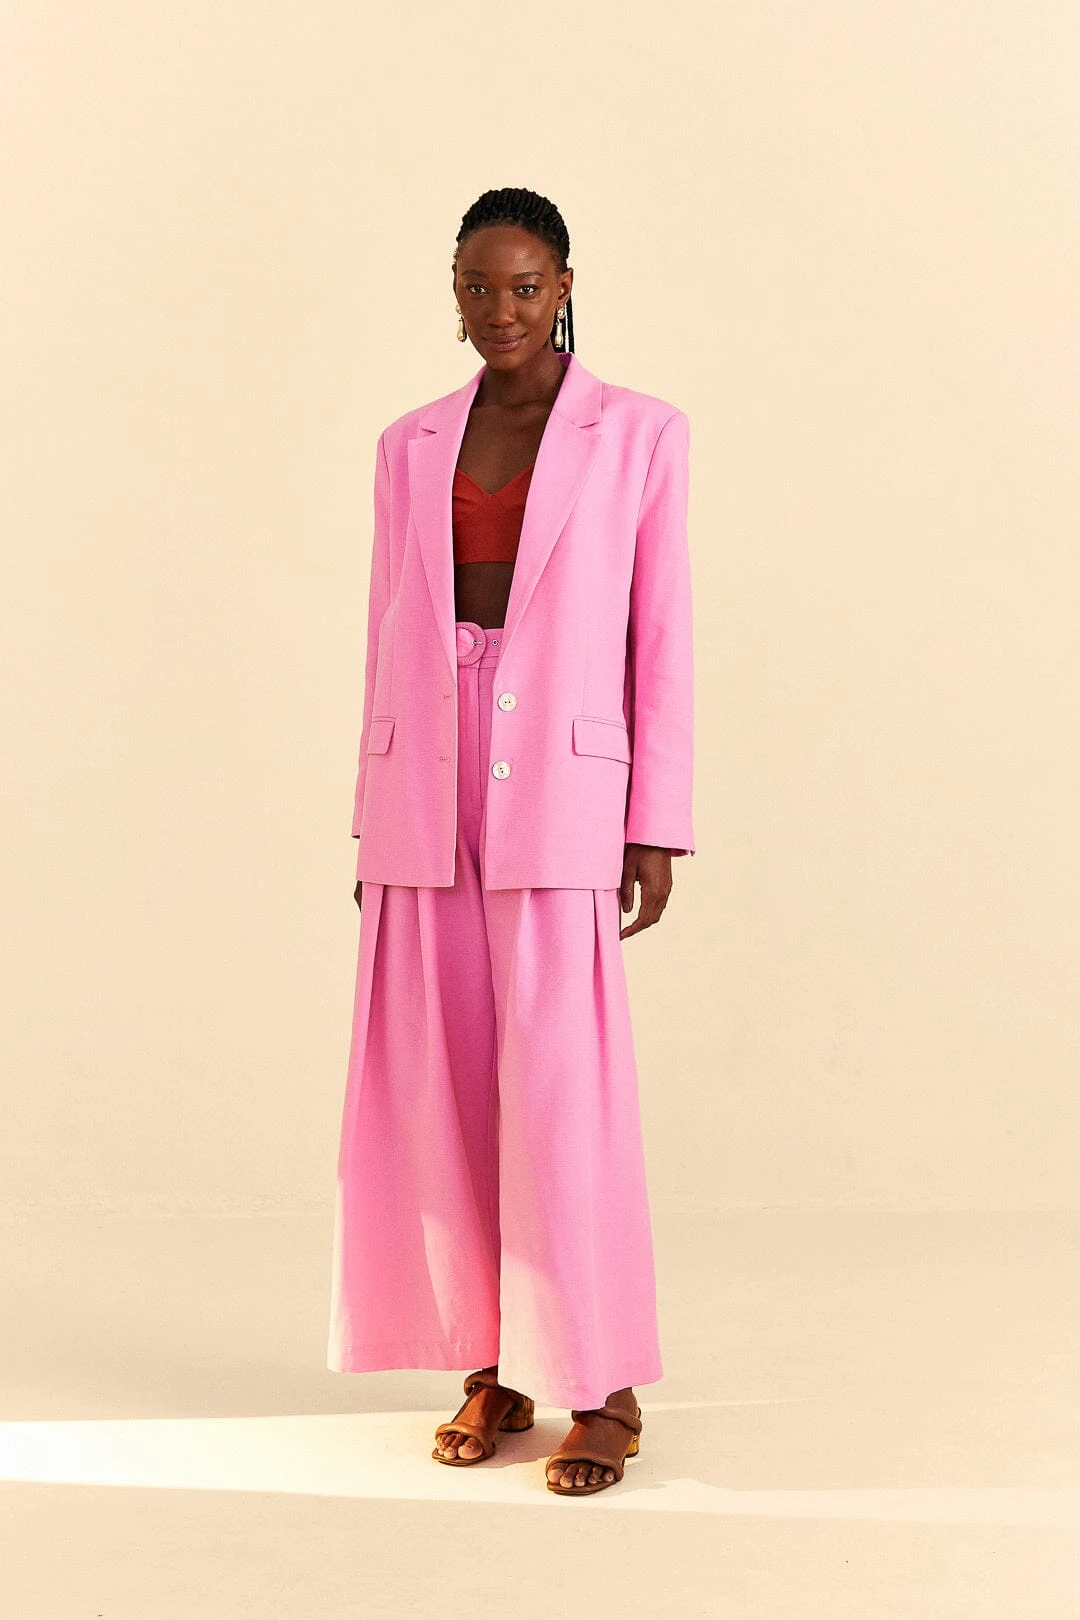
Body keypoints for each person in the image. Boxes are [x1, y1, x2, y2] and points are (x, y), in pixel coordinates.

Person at [326, 186, 695, 1497]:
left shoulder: (639, 433)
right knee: (440, 1090)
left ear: (565, 287)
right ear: (455, 295)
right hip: (426, 785)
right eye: (477, 287)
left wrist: (657, 817)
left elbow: (663, 628)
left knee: (558, 1090)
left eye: (526, 286)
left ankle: (604, 1386)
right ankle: (493, 1367)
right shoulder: (409, 443)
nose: (502, 309)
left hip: (562, 783)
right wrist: (373, 816)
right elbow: (388, 624)